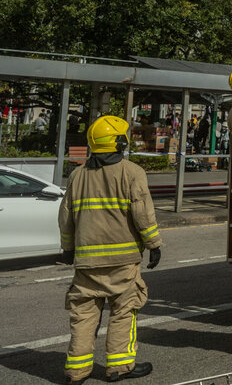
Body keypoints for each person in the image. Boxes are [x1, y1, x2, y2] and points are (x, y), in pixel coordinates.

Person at [57, 115, 162, 383]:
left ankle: (77, 372)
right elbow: (142, 214)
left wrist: (67, 248)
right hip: (122, 261)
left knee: (83, 315)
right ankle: (119, 367)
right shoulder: (132, 172)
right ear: (118, 142)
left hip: (86, 263)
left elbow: (66, 216)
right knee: (123, 311)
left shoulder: (77, 175)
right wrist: (154, 244)